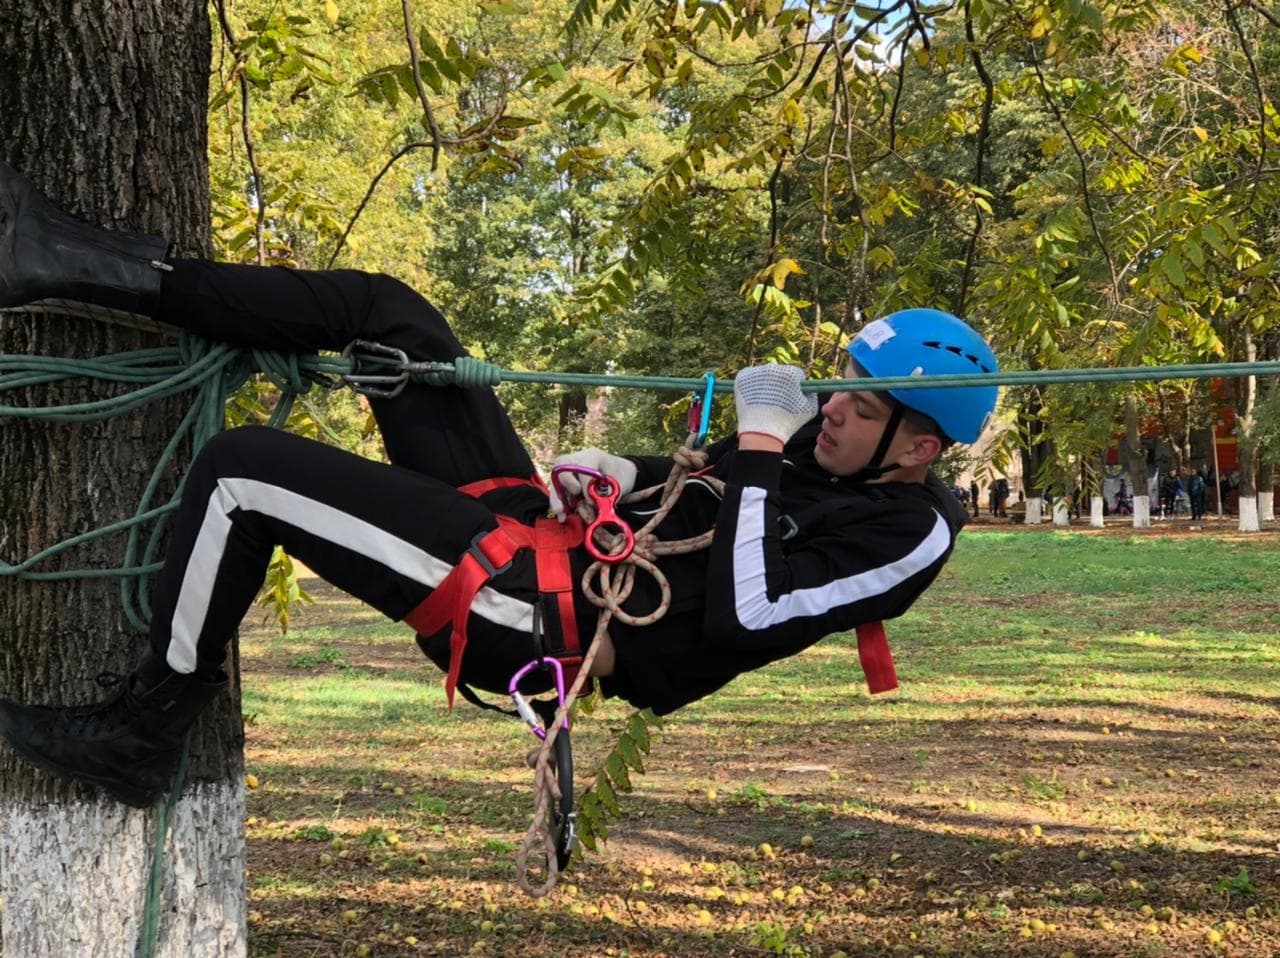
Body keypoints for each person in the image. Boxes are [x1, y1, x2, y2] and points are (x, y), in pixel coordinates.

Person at [0, 162, 999, 808]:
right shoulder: (813, 451)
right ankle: (80, 262)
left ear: (916, 452)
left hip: (535, 621)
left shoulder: (907, 537)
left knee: (242, 474)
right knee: (388, 312)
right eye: (841, 389)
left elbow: (746, 614)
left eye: (864, 412)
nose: (833, 409)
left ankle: (145, 727)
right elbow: (704, 495)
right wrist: (622, 470)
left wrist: (751, 445)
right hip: (544, 544)